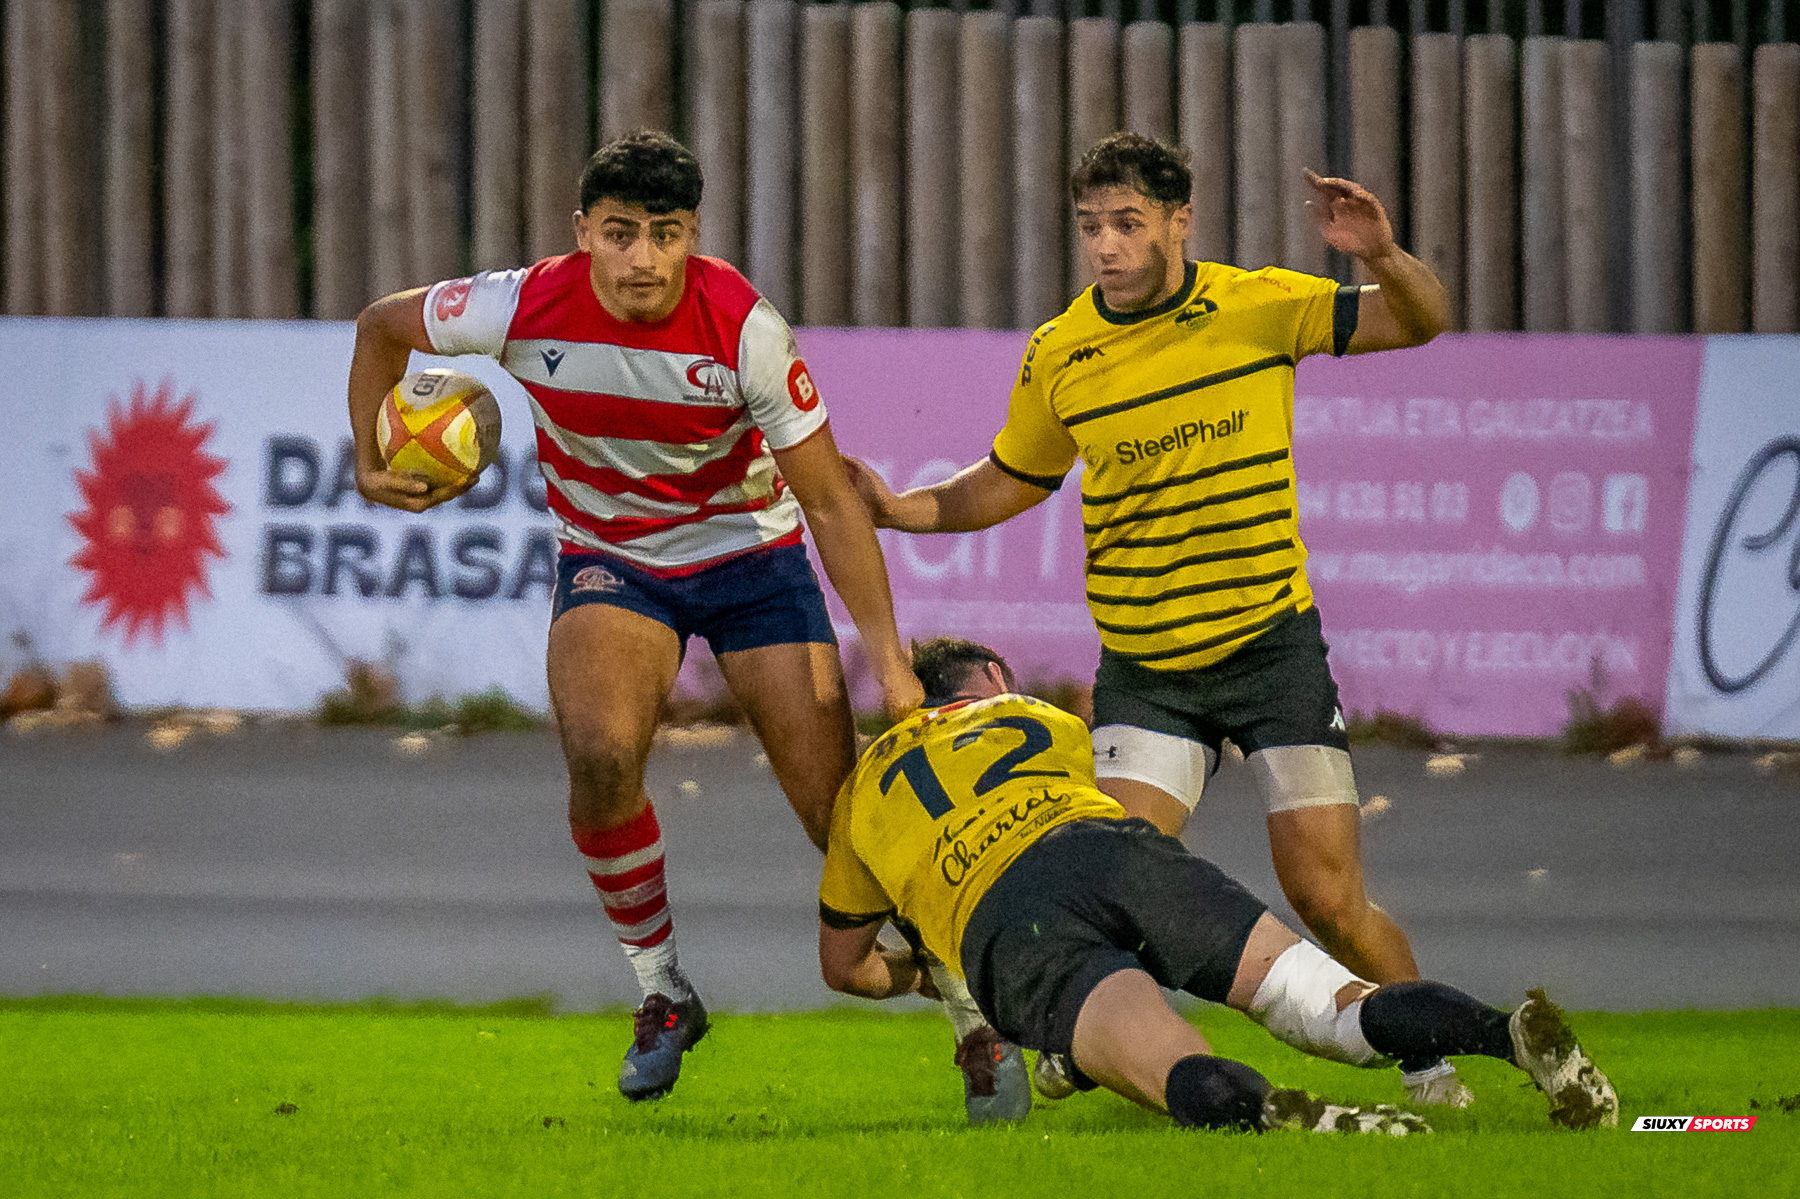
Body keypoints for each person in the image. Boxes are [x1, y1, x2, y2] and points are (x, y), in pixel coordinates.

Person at [844, 133, 1473, 1105]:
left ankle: (1427, 1058)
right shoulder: (1062, 352)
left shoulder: (1259, 305)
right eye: (1091, 225)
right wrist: (900, 508)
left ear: (1181, 220)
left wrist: (1384, 255)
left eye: (1128, 223)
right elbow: (1012, 478)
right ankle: (1089, 1041)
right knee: (1104, 885)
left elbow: (1422, 320)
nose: (1105, 245)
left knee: (1327, 894)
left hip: (1272, 652)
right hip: (1147, 669)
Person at [346, 131, 925, 1102]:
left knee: (844, 820)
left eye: (667, 234)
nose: (645, 260)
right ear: (583, 234)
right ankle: (661, 991)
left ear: (693, 233)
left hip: (752, 558)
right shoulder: (522, 303)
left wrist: (893, 664)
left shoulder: (744, 326)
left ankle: (969, 1009)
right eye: (621, 234)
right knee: (602, 753)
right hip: (616, 561)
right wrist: (368, 462)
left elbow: (829, 502)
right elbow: (377, 326)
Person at [818, 638, 1619, 1133]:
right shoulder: (1042, 719)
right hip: (1121, 853)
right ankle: (1507, 1030)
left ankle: (1307, 1119)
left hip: (1015, 920)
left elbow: (846, 965)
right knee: (1333, 1012)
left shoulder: (862, 794)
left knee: (1175, 1066)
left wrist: (937, 970)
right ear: (993, 677)